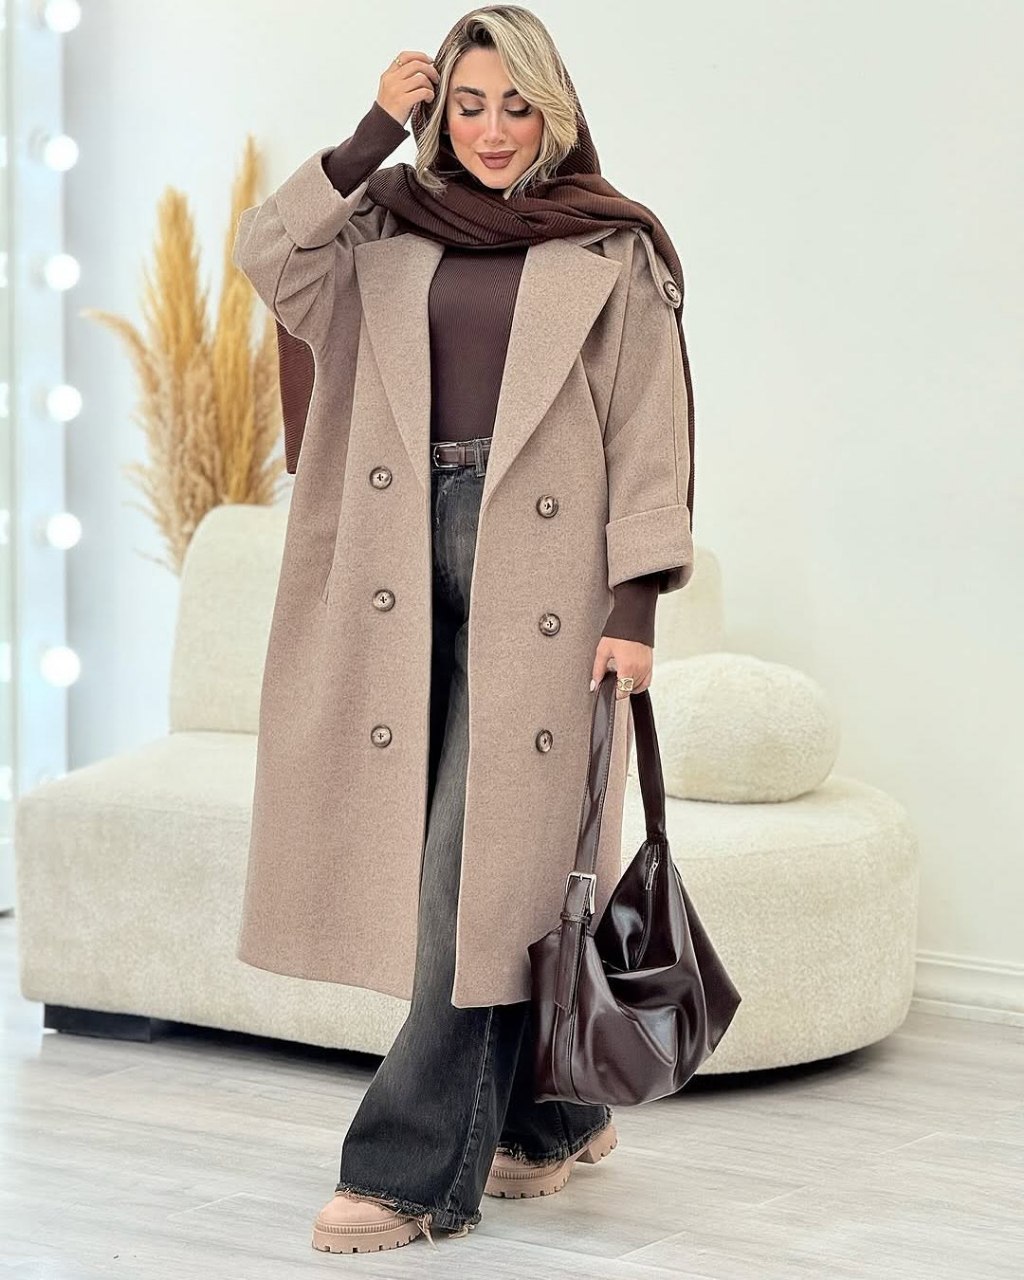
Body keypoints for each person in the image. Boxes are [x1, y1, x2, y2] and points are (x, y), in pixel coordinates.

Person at [234, 3, 695, 1255]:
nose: (493, 131)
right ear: (437, 114)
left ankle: (406, 1171)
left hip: (541, 572)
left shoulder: (612, 244)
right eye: (469, 105)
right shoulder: (380, 223)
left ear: (555, 109)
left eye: (517, 105)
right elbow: (267, 256)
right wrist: (366, 135)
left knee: (471, 877)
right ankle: (551, 1117)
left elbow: (647, 429)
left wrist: (635, 604)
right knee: (478, 873)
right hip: (389, 558)